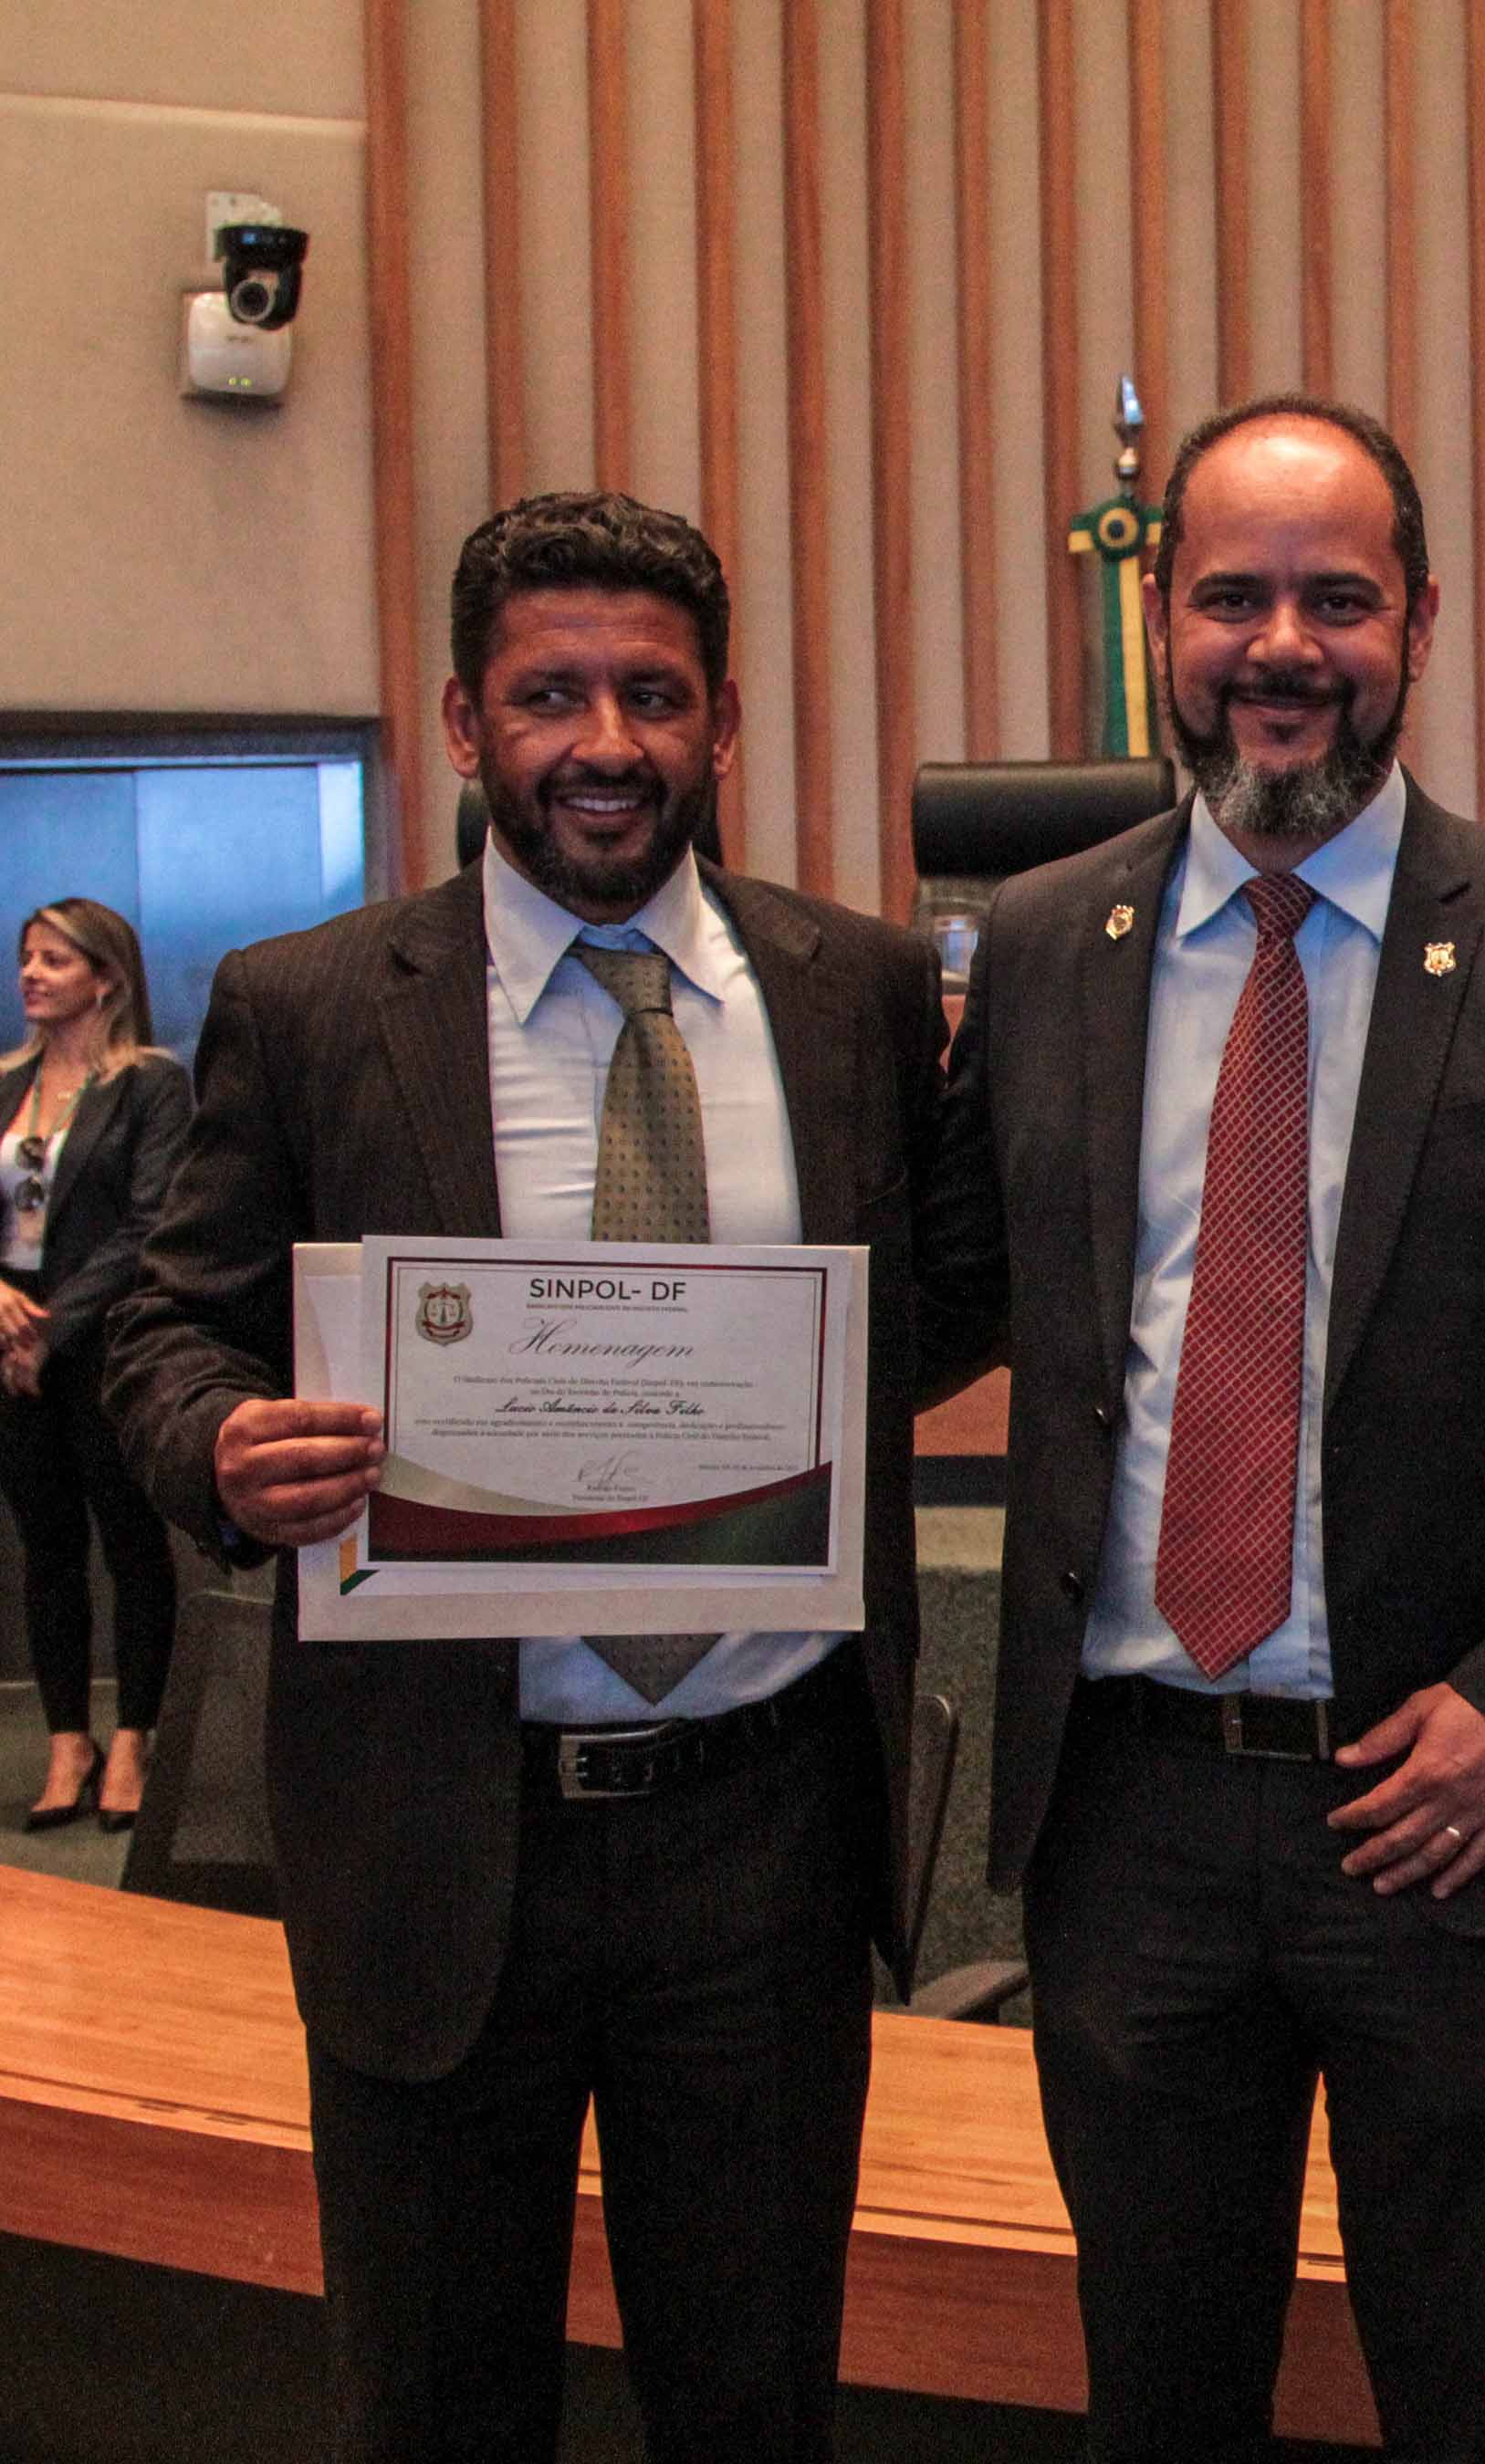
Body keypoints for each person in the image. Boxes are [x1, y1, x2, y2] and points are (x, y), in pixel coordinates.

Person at [926, 393, 1485, 2463]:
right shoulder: (1038, 947)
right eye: (1231, 595)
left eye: (1336, 596)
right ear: (1163, 623)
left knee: (1470, 2385)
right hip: (1127, 1814)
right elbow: (919, 1302)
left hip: (1443, 1809)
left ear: (1419, 619)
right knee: (1161, 2382)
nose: (1281, 644)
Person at [106, 492, 952, 2464]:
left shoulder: (861, 997)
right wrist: (223, 1442)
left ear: (723, 724)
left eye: (651, 695)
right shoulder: (308, 1006)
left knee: (750, 2403)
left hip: (761, 1837)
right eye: (550, 693)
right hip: (432, 1822)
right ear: (467, 721)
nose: (605, 742)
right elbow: (166, 1327)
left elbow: (946, 1303)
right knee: (432, 2406)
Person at [1, 899, 188, 1831]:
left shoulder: (151, 1084)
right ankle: (66, 1739)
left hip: (105, 1346)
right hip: (11, 1352)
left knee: (129, 1540)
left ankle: (134, 1739)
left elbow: (150, 1224)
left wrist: (51, 1326)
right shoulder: (5, 1085)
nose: (31, 974)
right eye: (27, 959)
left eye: (55, 961)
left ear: (107, 979)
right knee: (46, 1549)